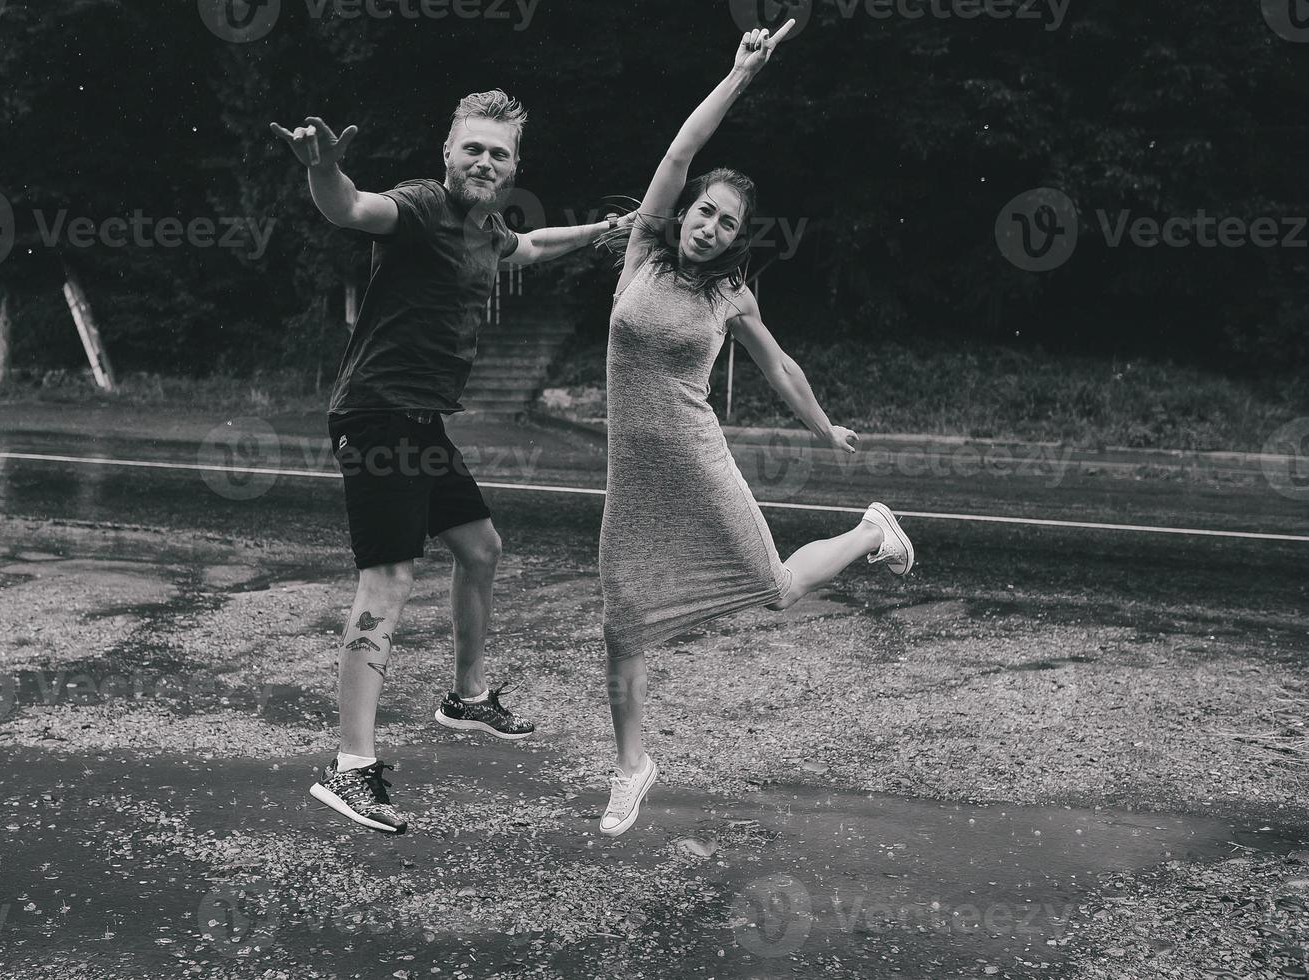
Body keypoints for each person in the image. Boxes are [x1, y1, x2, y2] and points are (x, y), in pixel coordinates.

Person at [271, 91, 628, 834]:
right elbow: (352, 209)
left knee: (481, 547)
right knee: (389, 578)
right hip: (375, 414)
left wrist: (601, 232)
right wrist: (324, 170)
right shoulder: (427, 206)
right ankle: (351, 769)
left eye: (498, 154)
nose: (484, 161)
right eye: (473, 148)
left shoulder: (488, 232)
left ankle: (465, 697)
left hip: (421, 423)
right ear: (448, 153)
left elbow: (531, 248)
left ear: (513, 168)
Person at [595, 24, 917, 837]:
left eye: (726, 223)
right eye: (704, 210)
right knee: (622, 620)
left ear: (738, 239)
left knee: (774, 590)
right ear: (687, 210)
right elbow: (680, 146)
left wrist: (823, 429)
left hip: (698, 461)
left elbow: (778, 367)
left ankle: (871, 533)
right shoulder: (643, 251)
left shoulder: (731, 297)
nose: (708, 226)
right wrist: (739, 75)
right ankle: (632, 767)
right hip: (631, 476)